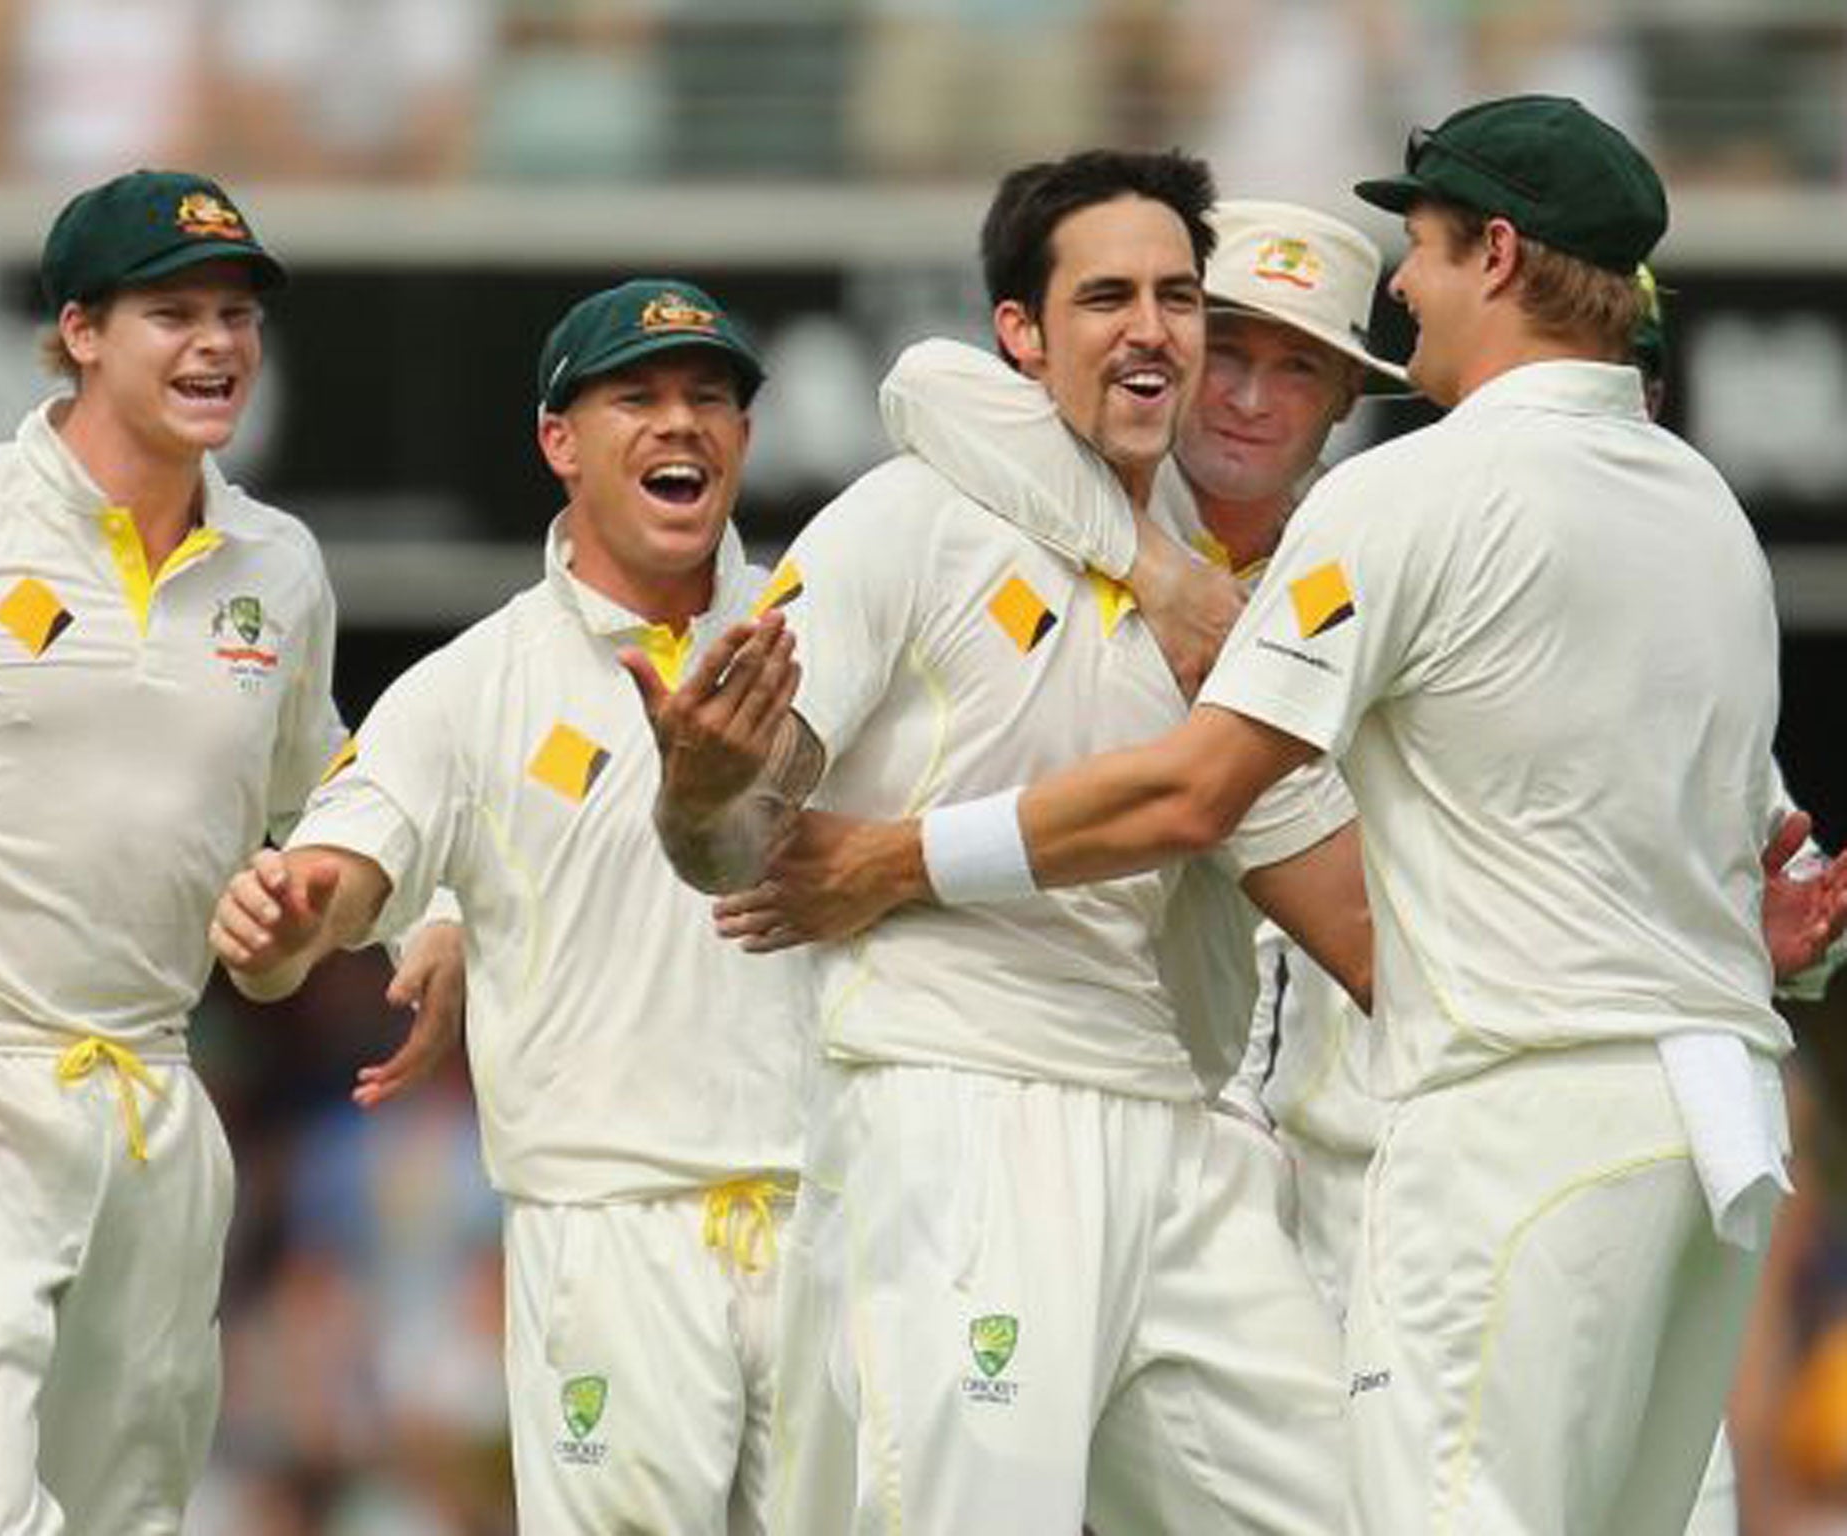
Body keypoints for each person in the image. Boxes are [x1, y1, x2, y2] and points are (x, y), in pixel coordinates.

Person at [739, 96, 1847, 1534]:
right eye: (1228, 349)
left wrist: (895, 857)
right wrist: (1152, 562)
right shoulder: (1701, 511)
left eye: (1306, 364)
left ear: (1490, 263)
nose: (1253, 392)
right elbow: (931, 389)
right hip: (1661, 1114)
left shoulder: (1393, 512)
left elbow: (1206, 792)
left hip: (1485, 1139)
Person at [640, 149, 1373, 1534]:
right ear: (1023, 337)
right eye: (1106, 296)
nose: (1152, 327)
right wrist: (701, 790)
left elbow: (1343, 913)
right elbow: (745, 837)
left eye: (1176, 295)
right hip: (963, 1106)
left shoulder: (1216, 600)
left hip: (1177, 1126)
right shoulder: (910, 516)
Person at [0, 169, 459, 1534]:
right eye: (175, 312)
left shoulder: (279, 568)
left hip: (153, 1104)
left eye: (238, 313)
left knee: (122, 1521)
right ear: (83, 330)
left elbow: (330, 794)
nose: (220, 343)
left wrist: (402, 919)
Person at [207, 278, 810, 1534]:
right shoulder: (469, 686)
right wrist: (295, 918)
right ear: (557, 443)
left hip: (833, 1210)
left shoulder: (826, 628)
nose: (679, 425)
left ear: (746, 439)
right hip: (605, 1233)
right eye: (634, 399)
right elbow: (341, 869)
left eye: (710, 399)